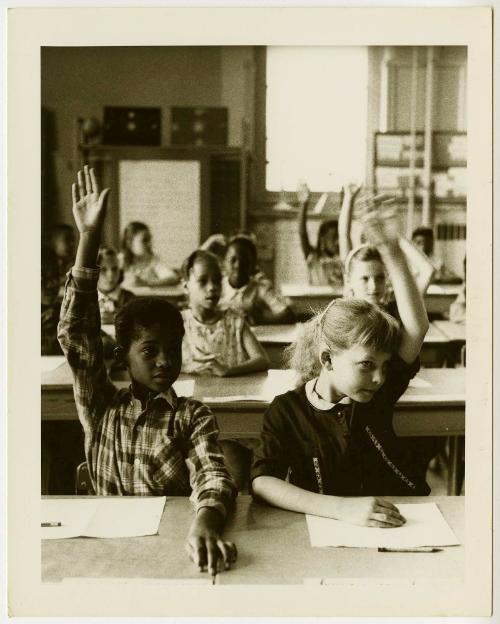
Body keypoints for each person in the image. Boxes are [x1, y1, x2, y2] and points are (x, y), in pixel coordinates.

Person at [58, 166, 237, 574]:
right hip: (105, 556)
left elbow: (213, 476)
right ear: (122, 357)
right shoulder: (101, 406)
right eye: (150, 350)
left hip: (169, 551)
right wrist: (88, 238)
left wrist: (205, 525)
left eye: (172, 349)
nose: (164, 360)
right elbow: (75, 333)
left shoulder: (192, 416)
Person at [251, 208, 430, 527]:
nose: (379, 377)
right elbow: (263, 481)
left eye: (385, 365)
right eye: (366, 365)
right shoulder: (287, 411)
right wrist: (341, 509)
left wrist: (392, 252)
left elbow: (416, 328)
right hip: (328, 526)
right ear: (327, 359)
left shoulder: (375, 393)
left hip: (397, 519)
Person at [181, 249, 269, 376]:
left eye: (217, 280)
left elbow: (262, 360)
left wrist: (228, 371)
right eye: (203, 281)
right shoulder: (177, 324)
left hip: (231, 394)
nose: (212, 287)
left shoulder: (234, 321)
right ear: (186, 287)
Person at [340, 189, 435, 299]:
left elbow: (428, 271)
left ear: (387, 278)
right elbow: (343, 236)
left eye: (380, 277)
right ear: (348, 281)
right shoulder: (348, 307)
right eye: (365, 279)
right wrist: (349, 197)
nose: (373, 286)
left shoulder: (398, 304)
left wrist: (394, 235)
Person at [220, 235, 294, 325]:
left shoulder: (261, 289)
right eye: (233, 260)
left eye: (245, 261)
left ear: (253, 264)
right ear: (224, 262)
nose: (238, 266)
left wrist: (260, 320)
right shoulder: (217, 286)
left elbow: (287, 314)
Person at [297, 183, 345, 288]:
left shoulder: (343, 258)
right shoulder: (313, 258)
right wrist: (304, 204)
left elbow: (345, 228)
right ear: (323, 238)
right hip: (317, 302)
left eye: (339, 237)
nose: (337, 242)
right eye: (333, 237)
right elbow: (302, 234)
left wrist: (346, 200)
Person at [120, 221, 180, 288]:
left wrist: (146, 283)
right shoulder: (119, 261)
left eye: (150, 240)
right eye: (144, 240)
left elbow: (173, 278)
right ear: (129, 243)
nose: (150, 244)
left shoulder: (153, 260)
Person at [97, 246, 135, 325]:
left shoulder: (129, 299)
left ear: (120, 271)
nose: (110, 275)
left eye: (114, 269)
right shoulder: (87, 298)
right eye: (103, 269)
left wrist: (117, 319)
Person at [41, 245, 63, 356]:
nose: (52, 284)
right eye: (42, 278)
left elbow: (107, 344)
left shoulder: (65, 313)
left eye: (56, 276)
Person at [50, 222, 76, 294]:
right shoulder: (46, 266)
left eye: (73, 240)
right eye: (67, 239)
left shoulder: (75, 264)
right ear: (53, 241)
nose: (72, 244)